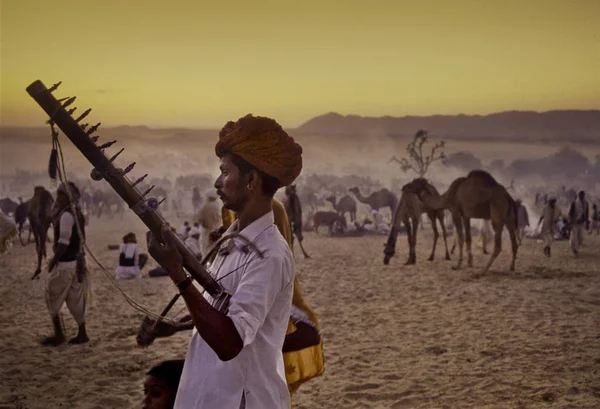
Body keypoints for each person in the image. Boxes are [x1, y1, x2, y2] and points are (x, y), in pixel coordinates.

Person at [147, 114, 302, 409]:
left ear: (252, 180)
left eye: (225, 172)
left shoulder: (270, 254)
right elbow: (222, 308)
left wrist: (177, 274)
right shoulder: (230, 240)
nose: (218, 182)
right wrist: (176, 325)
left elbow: (230, 342)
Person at [42, 182, 90, 346]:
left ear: (67, 198)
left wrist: (53, 261)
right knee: (76, 299)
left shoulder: (67, 215)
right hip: (77, 263)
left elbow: (63, 242)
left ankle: (59, 335)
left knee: (52, 297)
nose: (58, 199)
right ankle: (82, 333)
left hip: (66, 264)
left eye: (61, 196)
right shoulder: (78, 214)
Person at [568, 190, 589, 255]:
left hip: (581, 223)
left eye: (583, 195)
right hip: (574, 223)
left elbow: (586, 213)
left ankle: (573, 245)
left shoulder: (586, 203)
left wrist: (587, 222)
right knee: (575, 237)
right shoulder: (574, 203)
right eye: (581, 195)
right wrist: (570, 222)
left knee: (581, 237)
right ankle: (575, 250)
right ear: (578, 195)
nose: (582, 196)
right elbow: (570, 213)